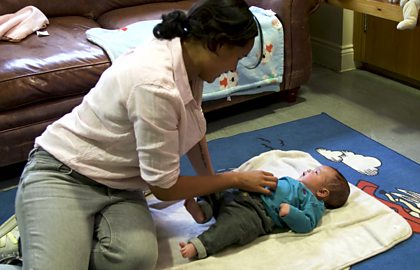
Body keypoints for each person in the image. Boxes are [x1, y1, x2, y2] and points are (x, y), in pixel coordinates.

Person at [0, 0, 278, 269]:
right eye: (237, 58)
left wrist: (212, 191)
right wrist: (234, 178)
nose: (233, 68)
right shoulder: (155, 83)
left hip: (121, 183)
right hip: (64, 172)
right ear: (217, 44)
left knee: (137, 259)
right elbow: (164, 188)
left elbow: (193, 129)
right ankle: (33, 239)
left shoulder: (189, 60)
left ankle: (56, 238)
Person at [179, 165, 351, 259]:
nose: (307, 170)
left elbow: (307, 224)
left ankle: (200, 245)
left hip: (257, 214)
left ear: (322, 192)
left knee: (232, 226)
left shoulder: (313, 203)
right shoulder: (294, 183)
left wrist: (290, 212)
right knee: (219, 182)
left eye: (315, 172)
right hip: (244, 193)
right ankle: (203, 210)